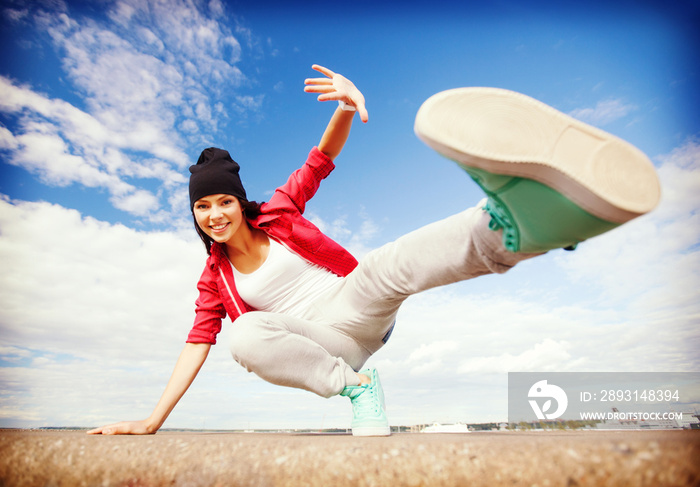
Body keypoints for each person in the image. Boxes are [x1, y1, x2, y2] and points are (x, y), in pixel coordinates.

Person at [88, 65, 660, 436]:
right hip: (325, 346)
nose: (213, 214)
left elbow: (319, 162)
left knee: (391, 264)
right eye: (201, 207)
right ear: (195, 216)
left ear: (239, 201)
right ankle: (360, 390)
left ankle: (519, 225)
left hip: (356, 304)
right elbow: (196, 346)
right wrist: (151, 421)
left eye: (221, 201)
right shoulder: (214, 280)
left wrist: (344, 104)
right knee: (245, 335)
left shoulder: (280, 213)